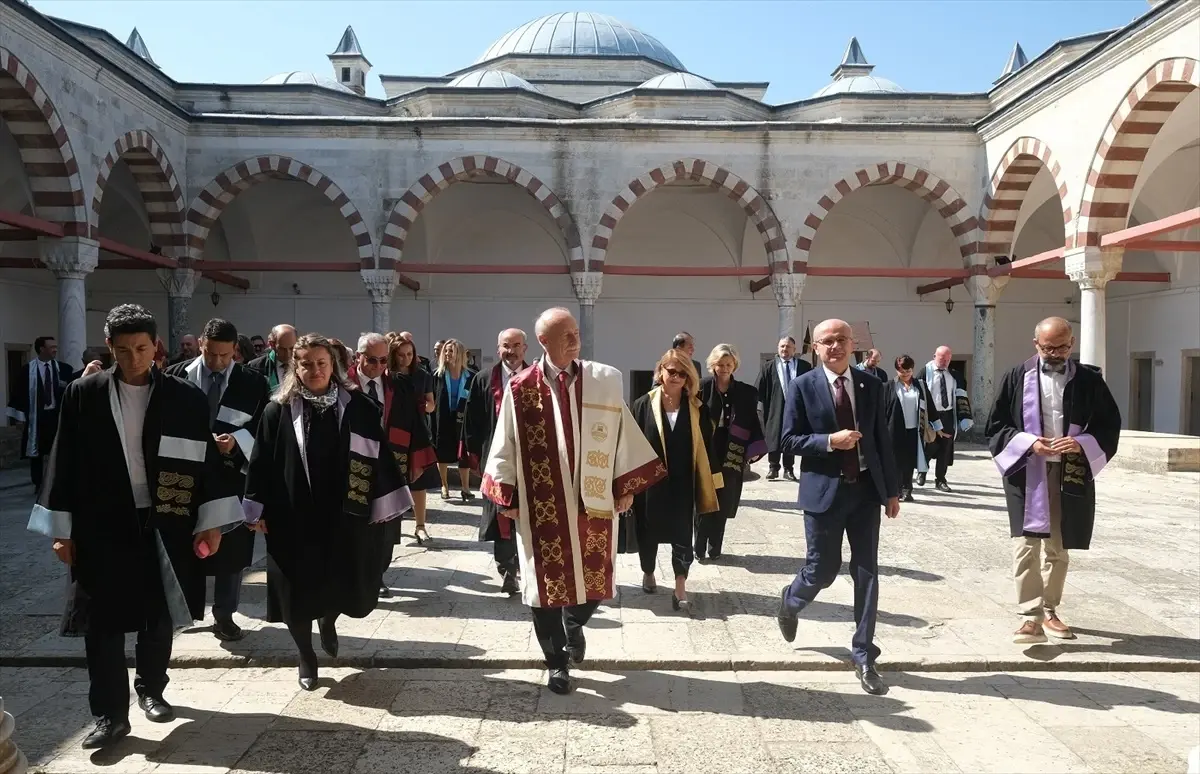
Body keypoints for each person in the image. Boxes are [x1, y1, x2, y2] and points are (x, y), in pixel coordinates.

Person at [27, 304, 242, 748]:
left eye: (142, 348)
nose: (133, 359)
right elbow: (62, 462)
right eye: (123, 350)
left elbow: (205, 465)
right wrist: (61, 531)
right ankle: (109, 715)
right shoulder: (82, 395)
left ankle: (152, 689)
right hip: (100, 523)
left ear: (155, 346)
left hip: (166, 519)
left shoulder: (185, 398)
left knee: (157, 613)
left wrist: (212, 524)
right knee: (100, 622)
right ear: (109, 348)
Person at [483, 307, 664, 694]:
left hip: (593, 502)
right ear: (544, 342)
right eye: (565, 334)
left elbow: (622, 432)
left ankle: (575, 622)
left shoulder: (604, 379)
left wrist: (627, 485)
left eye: (576, 332)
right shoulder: (520, 387)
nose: (574, 339)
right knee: (543, 587)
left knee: (595, 581)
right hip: (542, 504)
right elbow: (505, 443)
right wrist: (506, 496)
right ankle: (556, 662)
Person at [242, 333, 412, 690]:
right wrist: (255, 507)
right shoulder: (278, 410)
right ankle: (306, 656)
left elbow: (381, 456)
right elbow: (260, 462)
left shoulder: (358, 406)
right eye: (306, 364)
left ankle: (328, 619)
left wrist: (385, 503)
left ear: (333, 365)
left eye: (321, 363)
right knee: (295, 590)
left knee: (339, 581)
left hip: (343, 514)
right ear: (295, 367)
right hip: (293, 516)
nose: (315, 370)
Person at [775, 318, 899, 696]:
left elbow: (881, 440)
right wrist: (830, 441)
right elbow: (787, 440)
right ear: (815, 348)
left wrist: (891, 490)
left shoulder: (872, 385)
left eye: (841, 339)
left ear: (853, 343)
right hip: (823, 493)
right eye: (827, 341)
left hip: (864, 493)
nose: (835, 347)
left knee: (867, 574)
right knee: (823, 569)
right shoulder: (801, 386)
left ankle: (864, 654)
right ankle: (791, 600)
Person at [986, 317, 1121, 645]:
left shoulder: (1089, 380)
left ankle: (1050, 610)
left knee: (1057, 546)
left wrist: (1082, 443)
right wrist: (1028, 442)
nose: (1056, 353)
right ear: (1036, 344)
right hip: (1026, 470)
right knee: (1025, 544)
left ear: (1071, 344)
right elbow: (995, 425)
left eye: (1062, 347)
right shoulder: (1016, 377)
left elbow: (1109, 424)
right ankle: (1029, 617)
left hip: (1069, 471)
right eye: (1048, 348)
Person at [166, 318, 270, 641]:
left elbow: (264, 429)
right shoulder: (175, 376)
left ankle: (224, 615)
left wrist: (237, 442)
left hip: (230, 476)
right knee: (182, 545)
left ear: (235, 352)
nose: (218, 362)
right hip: (185, 476)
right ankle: (180, 610)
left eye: (225, 356)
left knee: (231, 551)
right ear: (201, 344)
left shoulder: (253, 383)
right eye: (212, 354)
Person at [630, 349, 718, 612]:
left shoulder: (697, 409)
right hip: (650, 483)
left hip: (683, 481)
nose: (677, 377)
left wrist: (715, 483)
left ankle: (680, 584)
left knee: (682, 533)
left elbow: (708, 447)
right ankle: (648, 571)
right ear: (660, 372)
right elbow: (632, 445)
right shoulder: (643, 404)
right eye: (672, 371)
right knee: (648, 532)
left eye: (683, 373)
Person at [348, 332, 436, 596]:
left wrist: (417, 459)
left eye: (384, 361)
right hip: (352, 466)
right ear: (358, 357)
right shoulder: (343, 386)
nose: (377, 367)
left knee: (387, 528)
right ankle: (357, 575)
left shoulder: (400, 385)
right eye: (371, 360)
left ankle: (377, 575)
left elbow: (415, 423)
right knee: (355, 524)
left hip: (391, 463)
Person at [462, 328, 530, 595]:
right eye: (505, 345)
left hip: (530, 461)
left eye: (516, 345)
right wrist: (475, 459)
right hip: (495, 459)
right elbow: (472, 421)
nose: (511, 351)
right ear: (497, 347)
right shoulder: (483, 380)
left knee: (528, 515)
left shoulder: (537, 378)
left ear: (525, 348)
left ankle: (527, 567)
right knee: (500, 513)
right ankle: (507, 569)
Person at [698, 344, 766, 560]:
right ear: (713, 365)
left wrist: (755, 450)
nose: (724, 368)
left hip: (732, 450)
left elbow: (754, 422)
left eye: (728, 364)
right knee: (704, 497)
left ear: (734, 365)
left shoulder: (746, 392)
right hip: (707, 449)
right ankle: (699, 543)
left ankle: (715, 545)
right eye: (720, 364)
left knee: (724, 499)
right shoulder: (700, 388)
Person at [6, 335, 74, 493]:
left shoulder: (64, 370)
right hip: (37, 417)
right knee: (36, 454)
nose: (55, 350)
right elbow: (18, 394)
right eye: (51, 347)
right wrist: (19, 419)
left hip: (56, 417)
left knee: (58, 451)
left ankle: (57, 482)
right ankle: (38, 483)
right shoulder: (27, 370)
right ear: (41, 349)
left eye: (55, 347)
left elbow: (70, 393)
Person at [390, 336, 438, 544]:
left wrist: (423, 406)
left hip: (418, 430)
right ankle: (392, 524)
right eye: (401, 355)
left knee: (419, 482)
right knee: (393, 480)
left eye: (409, 354)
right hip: (394, 432)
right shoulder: (387, 376)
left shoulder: (422, 375)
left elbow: (432, 405)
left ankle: (420, 526)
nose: (405, 359)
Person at [916, 345, 972, 492]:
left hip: (947, 415)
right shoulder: (924, 372)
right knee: (930, 445)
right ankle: (922, 472)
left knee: (945, 449)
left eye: (948, 359)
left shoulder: (954, 375)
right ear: (934, 356)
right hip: (930, 415)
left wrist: (964, 417)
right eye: (942, 358)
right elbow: (917, 394)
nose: (945, 362)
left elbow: (961, 396)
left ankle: (940, 480)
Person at [885, 355, 939, 503]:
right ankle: (895, 491)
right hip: (894, 430)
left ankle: (907, 490)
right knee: (896, 462)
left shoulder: (920, 386)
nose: (906, 374)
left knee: (909, 461)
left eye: (908, 371)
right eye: (902, 371)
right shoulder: (889, 386)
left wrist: (938, 426)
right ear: (897, 370)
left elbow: (930, 407)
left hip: (915, 430)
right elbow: (883, 410)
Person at [757, 336, 811, 481]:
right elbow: (759, 388)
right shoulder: (768, 367)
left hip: (796, 408)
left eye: (788, 347)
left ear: (794, 349)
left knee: (791, 436)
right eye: (782, 346)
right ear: (778, 348)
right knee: (774, 437)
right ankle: (773, 468)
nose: (784, 349)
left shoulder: (804, 367)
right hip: (775, 408)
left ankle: (789, 469)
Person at [432, 338, 476, 502]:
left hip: (463, 419)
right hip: (442, 418)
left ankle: (465, 488)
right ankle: (445, 486)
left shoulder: (471, 376)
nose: (448, 354)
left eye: (452, 350)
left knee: (463, 453)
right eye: (446, 351)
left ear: (460, 354)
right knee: (442, 452)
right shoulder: (438, 375)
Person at [246, 324, 297, 391]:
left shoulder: (303, 364)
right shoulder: (256, 366)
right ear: (272, 344)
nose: (288, 354)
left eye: (291, 348)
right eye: (282, 349)